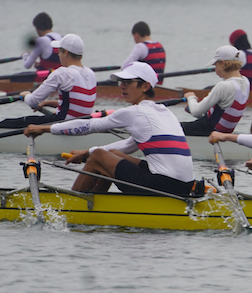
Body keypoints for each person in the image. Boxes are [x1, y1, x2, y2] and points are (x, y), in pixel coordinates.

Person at [25, 62, 197, 198]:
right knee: (113, 153)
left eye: (128, 82)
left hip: (165, 186)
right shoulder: (165, 112)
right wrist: (87, 152)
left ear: (145, 86)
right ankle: (97, 201)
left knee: (99, 156)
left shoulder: (134, 113)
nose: (122, 86)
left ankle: (72, 207)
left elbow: (88, 126)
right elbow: (130, 144)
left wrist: (44, 128)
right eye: (121, 82)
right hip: (185, 185)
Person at [0, 34, 97, 128]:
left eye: (59, 51)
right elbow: (75, 103)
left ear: (65, 52)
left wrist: (26, 95)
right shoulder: (91, 73)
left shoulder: (62, 73)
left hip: (62, 125)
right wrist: (46, 102)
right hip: (83, 125)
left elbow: (32, 100)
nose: (58, 55)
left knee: (7, 123)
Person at [180, 45, 250, 137]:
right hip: (222, 132)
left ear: (223, 63)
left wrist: (191, 98)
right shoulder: (246, 82)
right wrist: (193, 107)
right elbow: (222, 113)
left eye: (215, 65)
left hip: (209, 132)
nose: (215, 68)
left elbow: (196, 112)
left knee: (172, 126)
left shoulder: (224, 86)